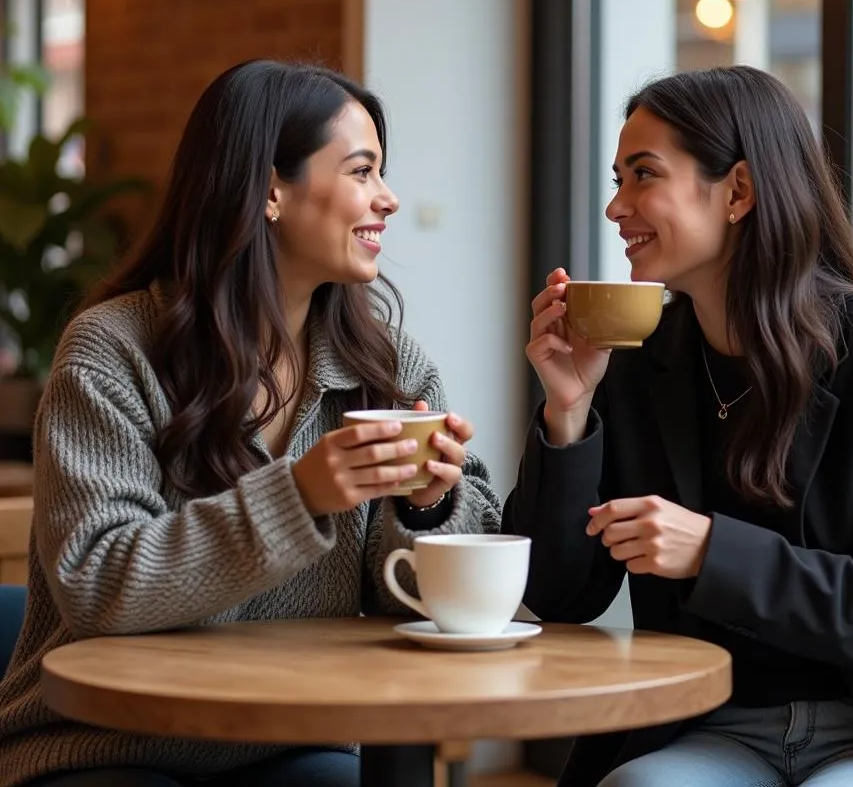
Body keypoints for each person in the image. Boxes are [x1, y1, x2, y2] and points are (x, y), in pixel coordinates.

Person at [503, 65, 853, 787]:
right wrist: (568, 410)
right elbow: (561, 597)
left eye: (642, 175)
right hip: (708, 720)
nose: (615, 207)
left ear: (739, 191)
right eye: (618, 179)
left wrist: (712, 551)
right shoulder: (638, 362)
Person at [0, 60, 501, 787]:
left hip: (290, 740)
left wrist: (428, 507)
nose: (388, 199)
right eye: (362, 172)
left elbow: (417, 605)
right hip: (104, 742)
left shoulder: (387, 366)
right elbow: (98, 586)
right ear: (270, 189)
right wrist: (300, 496)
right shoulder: (112, 350)